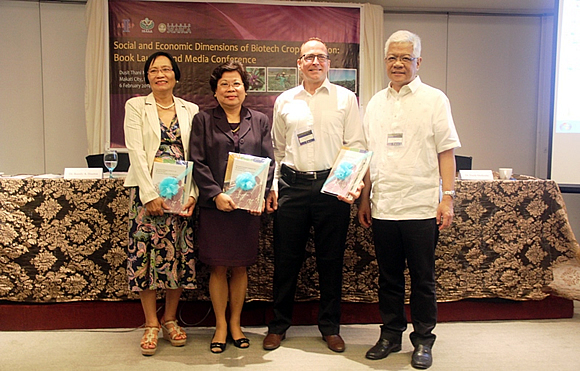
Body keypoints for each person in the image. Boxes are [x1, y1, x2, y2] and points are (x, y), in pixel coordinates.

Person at [358, 30, 461, 369]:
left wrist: (447, 198)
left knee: (422, 277)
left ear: (419, 61)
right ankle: (389, 334)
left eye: (405, 57)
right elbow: (368, 155)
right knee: (387, 277)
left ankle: (423, 340)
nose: (398, 63)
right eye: (392, 57)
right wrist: (365, 199)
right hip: (384, 206)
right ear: (385, 61)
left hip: (420, 205)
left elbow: (446, 153)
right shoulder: (375, 103)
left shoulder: (435, 99)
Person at [263, 37, 366, 353]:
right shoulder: (285, 100)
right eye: (308, 57)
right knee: (285, 260)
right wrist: (275, 187)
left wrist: (351, 186)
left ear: (328, 64)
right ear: (299, 64)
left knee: (331, 260)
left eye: (320, 57)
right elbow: (278, 149)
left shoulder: (345, 99)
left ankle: (330, 327)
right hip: (292, 187)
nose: (315, 62)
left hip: (332, 189)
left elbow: (356, 146)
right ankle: (278, 326)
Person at [189, 60, 275, 354]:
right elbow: (197, 162)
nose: (230, 89)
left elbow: (268, 162)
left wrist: (259, 196)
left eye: (236, 83)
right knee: (218, 266)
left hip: (247, 208)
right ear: (215, 91)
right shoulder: (202, 119)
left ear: (245, 89)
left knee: (240, 267)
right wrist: (214, 195)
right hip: (216, 207)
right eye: (224, 84)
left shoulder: (260, 120)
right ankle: (220, 325)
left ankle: (236, 323)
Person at [123, 51, 199, 356]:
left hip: (181, 193)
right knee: (147, 256)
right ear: (147, 77)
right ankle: (151, 323)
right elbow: (136, 151)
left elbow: (196, 153)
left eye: (166, 69)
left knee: (176, 254)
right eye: (154, 70)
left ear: (176, 76)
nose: (160, 74)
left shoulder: (190, 109)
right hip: (147, 193)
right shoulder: (135, 106)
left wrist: (193, 193)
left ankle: (170, 319)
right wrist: (149, 194)